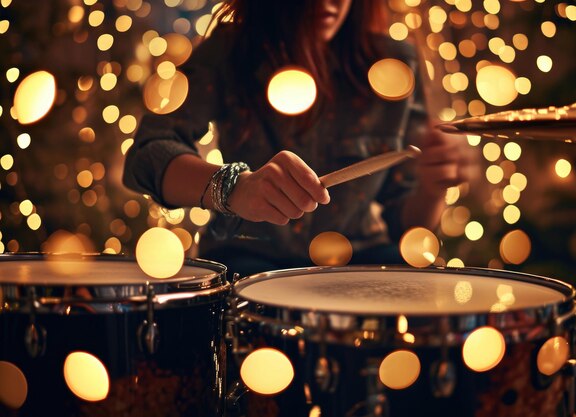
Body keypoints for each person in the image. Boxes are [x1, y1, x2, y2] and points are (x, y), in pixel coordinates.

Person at [123, 0, 468, 278]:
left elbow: (405, 225)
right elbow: (145, 156)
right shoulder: (231, 51)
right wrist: (234, 188)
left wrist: (434, 186)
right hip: (249, 261)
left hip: (362, 262)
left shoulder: (393, 66)